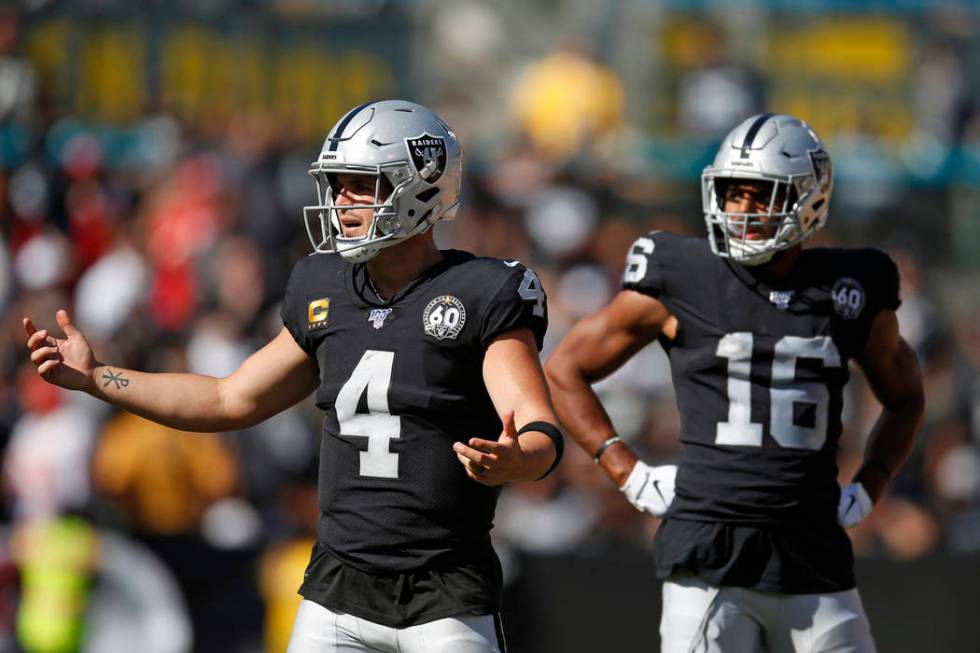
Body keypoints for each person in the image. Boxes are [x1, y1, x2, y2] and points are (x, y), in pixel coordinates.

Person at [24, 99, 563, 653]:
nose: (341, 201)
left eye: (361, 184)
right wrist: (99, 377)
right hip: (338, 594)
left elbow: (539, 428)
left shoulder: (482, 291)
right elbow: (229, 398)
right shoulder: (322, 286)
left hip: (444, 597)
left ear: (419, 186)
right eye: (337, 183)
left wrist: (518, 459)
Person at [544, 114, 924, 652]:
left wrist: (873, 482)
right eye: (731, 192)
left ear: (809, 198)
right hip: (708, 550)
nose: (741, 209)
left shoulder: (852, 284)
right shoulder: (681, 272)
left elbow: (905, 396)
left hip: (813, 548)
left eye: (759, 194)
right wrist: (622, 468)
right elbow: (565, 367)